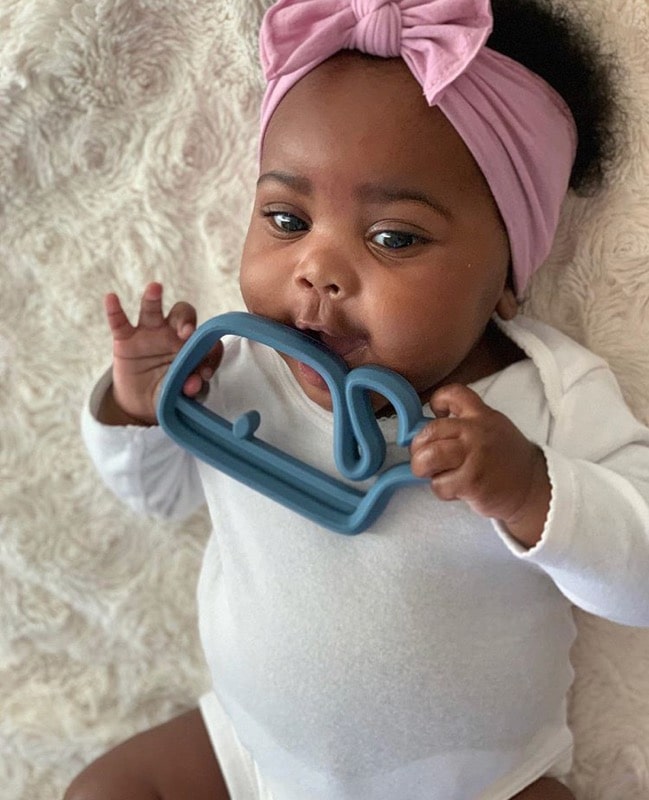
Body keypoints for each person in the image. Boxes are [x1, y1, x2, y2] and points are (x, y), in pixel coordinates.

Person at [66, 0, 649, 798]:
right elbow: (157, 498)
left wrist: (530, 490)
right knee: (105, 790)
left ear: (507, 279)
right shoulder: (237, 369)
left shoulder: (542, 395)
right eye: (285, 218)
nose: (317, 269)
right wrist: (138, 406)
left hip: (476, 780)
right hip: (250, 750)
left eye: (393, 238)